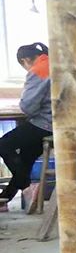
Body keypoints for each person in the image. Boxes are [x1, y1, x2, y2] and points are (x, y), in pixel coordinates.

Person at [0, 43, 52, 211]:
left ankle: (27, 187)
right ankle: (4, 200)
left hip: (45, 123)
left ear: (25, 60)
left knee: (4, 145)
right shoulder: (55, 63)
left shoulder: (39, 70)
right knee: (25, 158)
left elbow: (28, 107)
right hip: (60, 123)